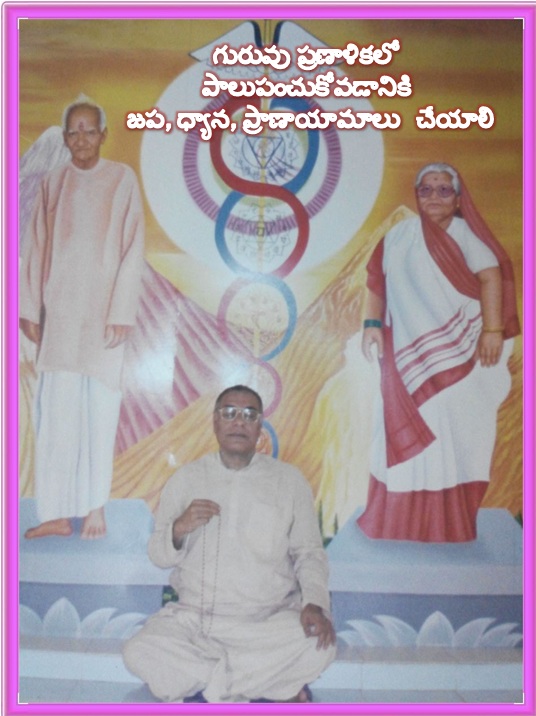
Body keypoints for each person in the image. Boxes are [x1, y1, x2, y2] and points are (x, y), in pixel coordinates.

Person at [123, 385, 336, 703]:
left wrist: (314, 604)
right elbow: (159, 555)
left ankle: (212, 682)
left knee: (320, 646)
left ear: (260, 426)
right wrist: (180, 528)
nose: (239, 422)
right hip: (196, 623)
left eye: (249, 415)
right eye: (229, 413)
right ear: (215, 422)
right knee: (138, 652)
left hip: (265, 623)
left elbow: (309, 553)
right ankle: (265, 686)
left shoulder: (289, 481)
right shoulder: (186, 479)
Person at [357, 163, 520, 542]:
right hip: (403, 360)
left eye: (443, 190)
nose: (434, 197)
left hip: (460, 360)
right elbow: (376, 281)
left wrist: (492, 330)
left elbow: (491, 278)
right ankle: (395, 522)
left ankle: (448, 524)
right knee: (396, 435)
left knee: (452, 435)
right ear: (417, 195)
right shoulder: (398, 236)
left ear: (458, 199)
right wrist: (372, 323)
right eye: (426, 189)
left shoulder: (466, 237)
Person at [19, 97, 145, 540]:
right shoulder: (53, 182)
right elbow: (35, 246)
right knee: (56, 416)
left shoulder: (122, 179)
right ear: (65, 137)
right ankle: (56, 513)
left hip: (104, 320)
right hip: (59, 319)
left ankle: (95, 508)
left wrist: (122, 311)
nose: (81, 139)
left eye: (90, 130)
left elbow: (133, 247)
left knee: (99, 413)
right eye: (73, 131)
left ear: (103, 135)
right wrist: (29, 309)